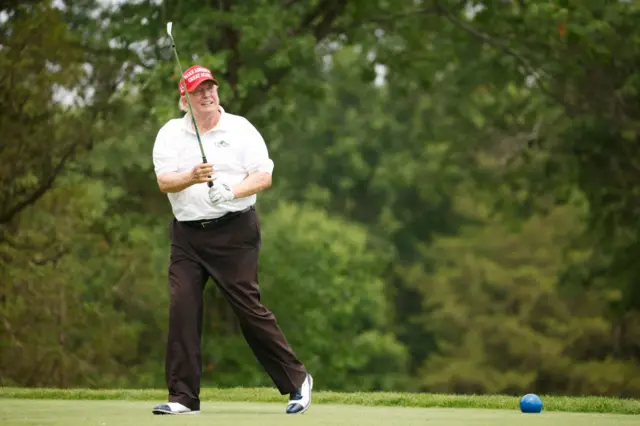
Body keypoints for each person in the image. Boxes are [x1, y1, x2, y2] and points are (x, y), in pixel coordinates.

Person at [150, 64, 313, 416]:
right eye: (198, 91)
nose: (207, 94)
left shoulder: (240, 129)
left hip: (234, 233)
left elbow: (264, 175)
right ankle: (183, 398)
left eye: (211, 88)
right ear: (185, 98)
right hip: (187, 237)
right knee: (182, 309)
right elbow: (164, 181)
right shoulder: (170, 134)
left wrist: (233, 191)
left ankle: (297, 381)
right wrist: (192, 177)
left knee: (247, 310)